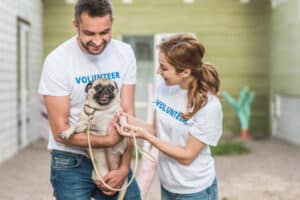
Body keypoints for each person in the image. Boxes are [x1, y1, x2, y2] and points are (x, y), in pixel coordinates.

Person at [38, 0, 141, 199]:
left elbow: (128, 115)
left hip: (115, 153)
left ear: (112, 23)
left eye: (104, 32)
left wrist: (124, 166)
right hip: (71, 160)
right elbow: (61, 132)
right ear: (76, 25)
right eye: (89, 34)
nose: (97, 41)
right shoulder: (57, 61)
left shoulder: (124, 53)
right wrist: (107, 140)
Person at [117, 33, 222, 200]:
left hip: (195, 191)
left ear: (185, 71)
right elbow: (154, 129)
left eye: (164, 68)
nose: (159, 72)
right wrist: (124, 119)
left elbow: (187, 155)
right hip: (168, 185)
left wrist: (147, 138)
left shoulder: (208, 106)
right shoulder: (164, 88)